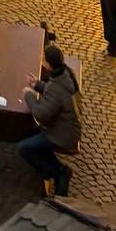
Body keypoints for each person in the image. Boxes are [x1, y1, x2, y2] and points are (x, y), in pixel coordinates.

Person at [18, 43, 81, 197]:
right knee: (29, 133)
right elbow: (56, 95)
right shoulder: (65, 74)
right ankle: (57, 169)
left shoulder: (57, 86)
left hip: (61, 135)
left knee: (24, 148)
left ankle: (56, 172)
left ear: (49, 64)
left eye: (44, 61)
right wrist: (38, 85)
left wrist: (29, 95)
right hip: (64, 129)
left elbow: (41, 114)